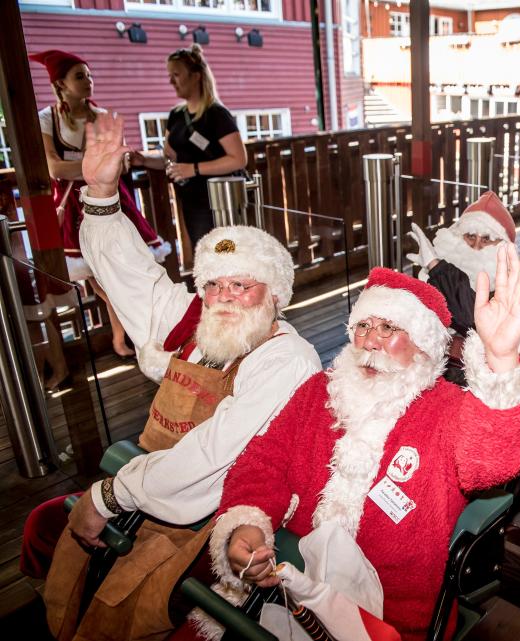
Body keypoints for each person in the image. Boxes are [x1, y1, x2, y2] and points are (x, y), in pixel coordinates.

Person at [23, 113, 322, 641]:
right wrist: (100, 195)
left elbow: (210, 460)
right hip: (151, 487)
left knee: (131, 597)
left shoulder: (287, 361)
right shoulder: (199, 325)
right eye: (213, 284)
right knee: (43, 526)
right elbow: (136, 280)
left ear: (275, 293)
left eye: (242, 285)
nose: (224, 297)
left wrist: (109, 496)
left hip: (217, 518)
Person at [195, 256, 520, 641]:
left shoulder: (448, 409)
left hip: (386, 613)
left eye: (389, 328)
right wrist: (247, 521)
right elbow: (264, 459)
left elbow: (490, 463)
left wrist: (501, 361)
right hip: (282, 581)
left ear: (424, 345)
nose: (369, 339)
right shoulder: (320, 389)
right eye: (363, 325)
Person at [29, 49, 171, 357]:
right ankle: (126, 335)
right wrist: (95, 166)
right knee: (100, 278)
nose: (88, 80)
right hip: (76, 203)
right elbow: (54, 168)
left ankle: (130, 335)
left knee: (126, 267)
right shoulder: (47, 119)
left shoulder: (102, 116)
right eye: (79, 76)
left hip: (110, 194)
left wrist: (104, 166)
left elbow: (115, 163)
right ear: (60, 84)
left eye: (89, 74)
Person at [135, 45, 247, 247]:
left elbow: (238, 159)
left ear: (195, 76)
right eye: (170, 75)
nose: (171, 81)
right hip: (192, 202)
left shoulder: (216, 114)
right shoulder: (176, 115)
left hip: (222, 202)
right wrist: (143, 159)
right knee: (206, 256)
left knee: (228, 258)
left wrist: (193, 169)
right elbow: (169, 158)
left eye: (176, 74)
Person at [404, 191, 514, 335]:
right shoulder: (445, 270)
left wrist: (435, 266)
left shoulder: (512, 285)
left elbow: (471, 318)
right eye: (470, 236)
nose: (476, 247)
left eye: (486, 239)